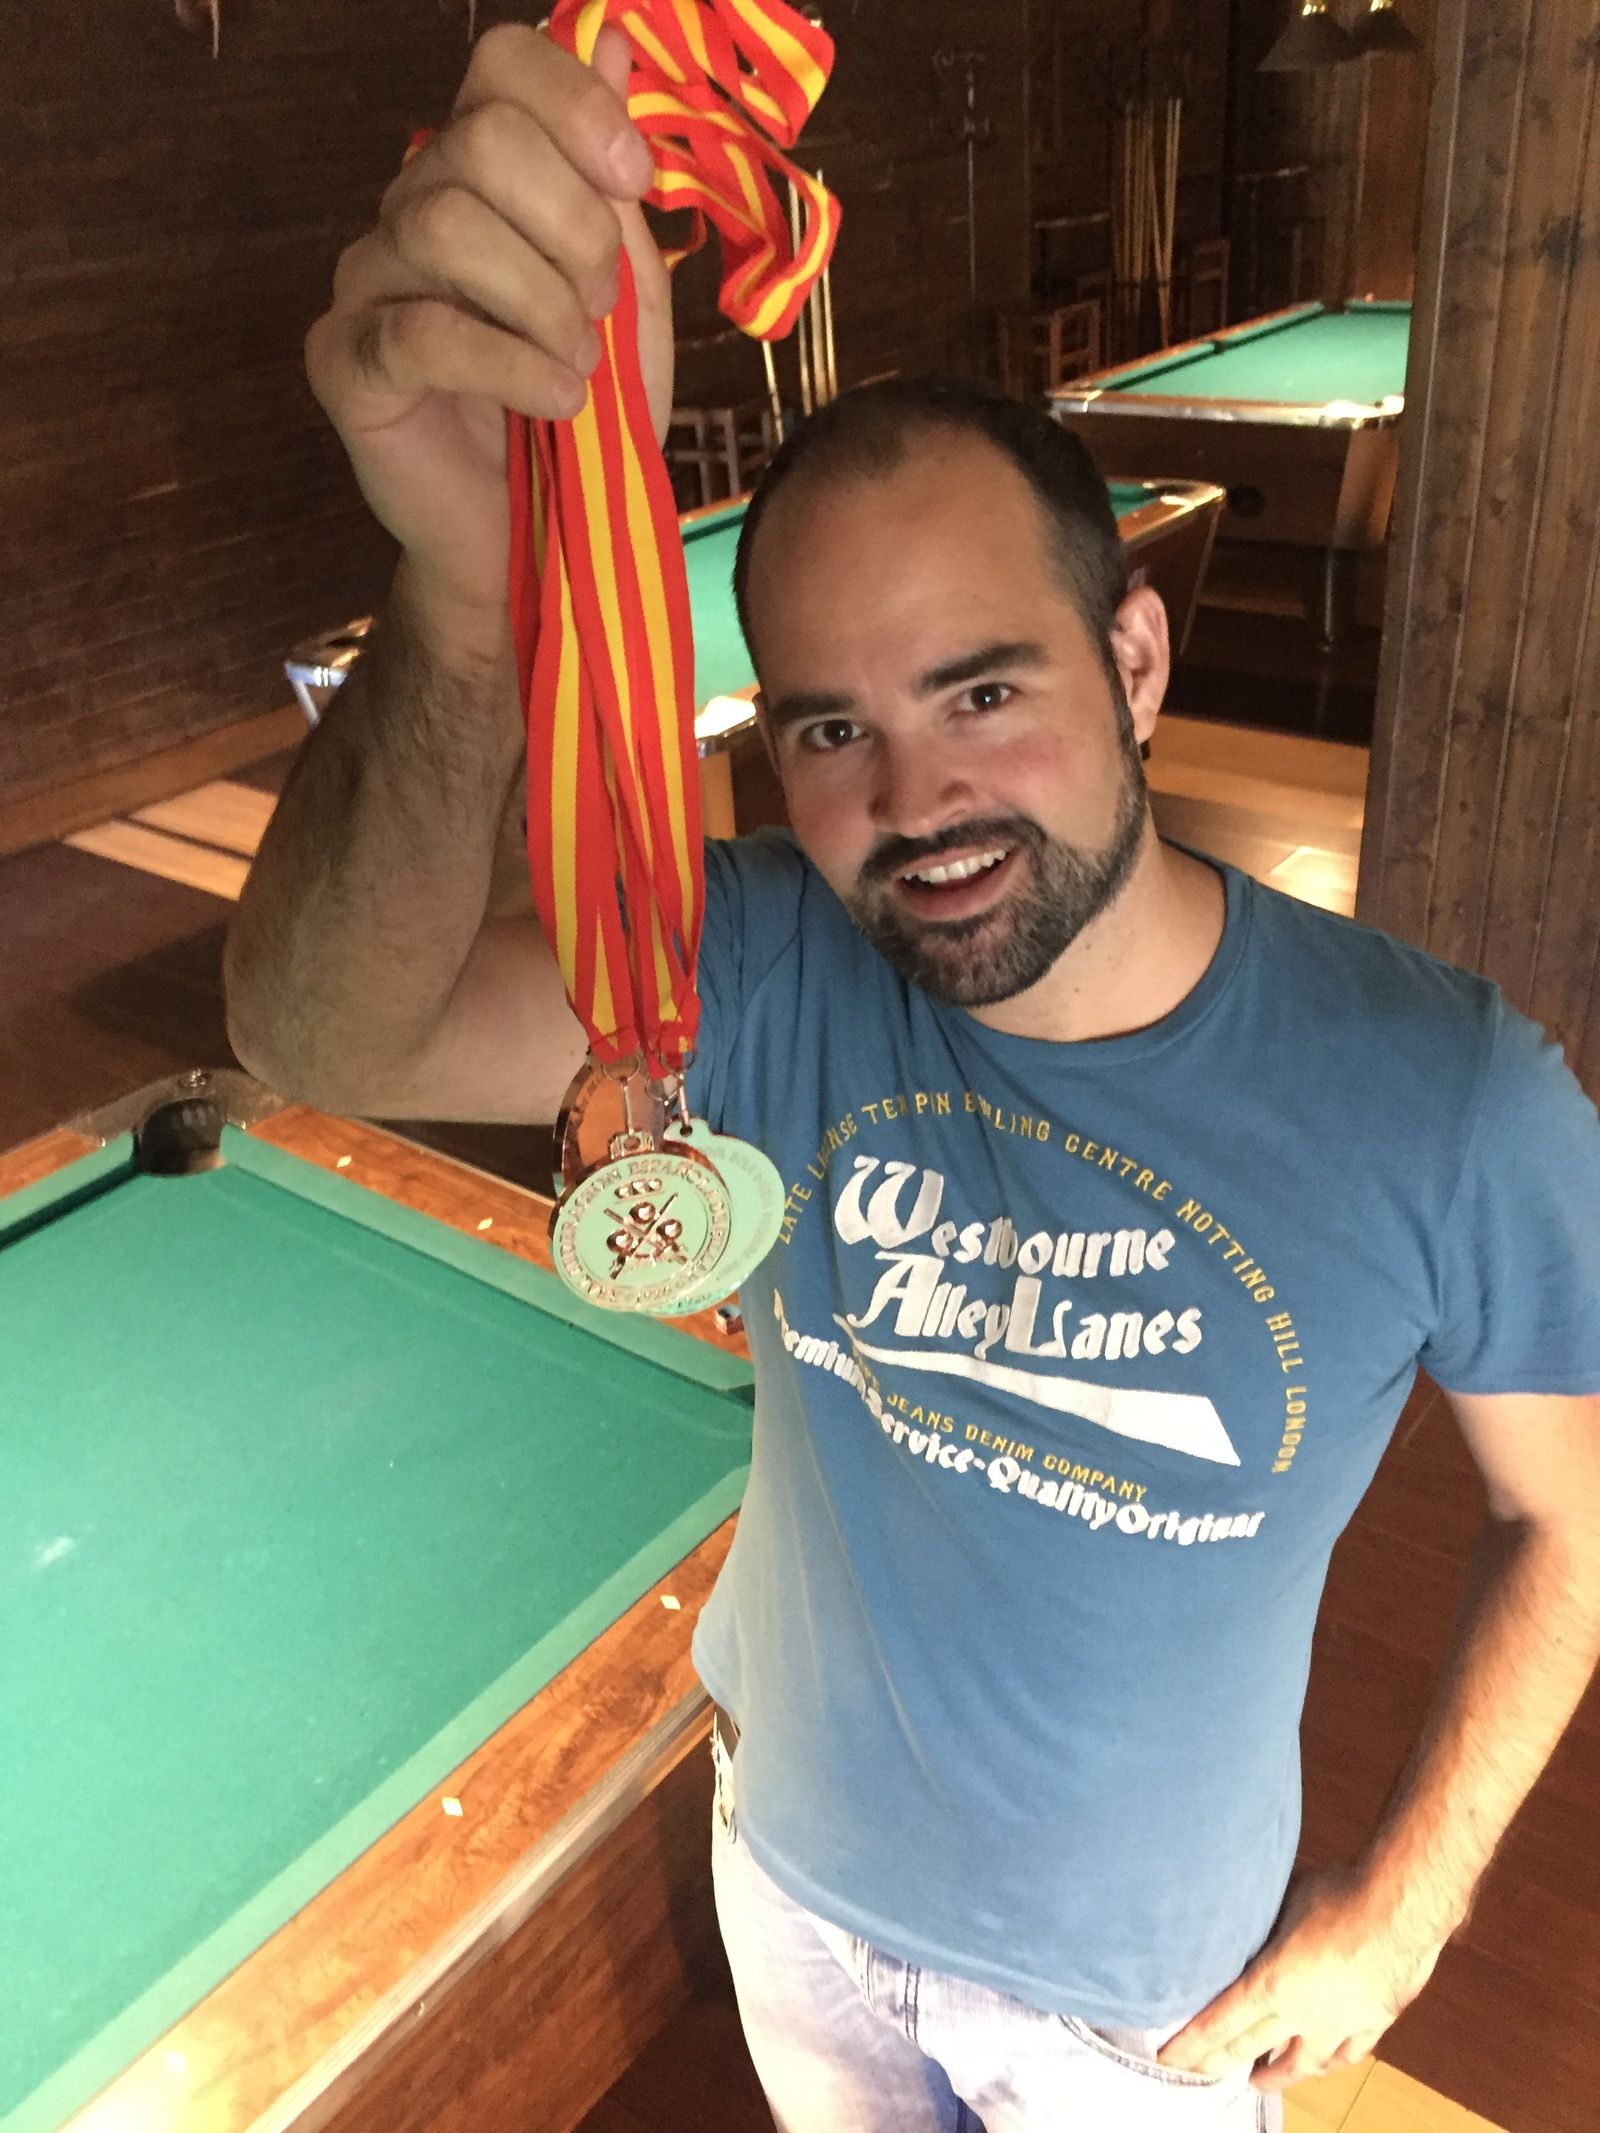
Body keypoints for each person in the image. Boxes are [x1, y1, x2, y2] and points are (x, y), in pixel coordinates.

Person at [225, 24, 1600, 2133]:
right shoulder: (764, 953)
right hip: (792, 1893)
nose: (915, 798)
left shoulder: (1450, 1095)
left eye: (982, 687)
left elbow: (1561, 1530)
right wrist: (466, 605)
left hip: (1144, 2012)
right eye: (827, 725)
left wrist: (1403, 1912)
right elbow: (320, 1029)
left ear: (1132, 660)